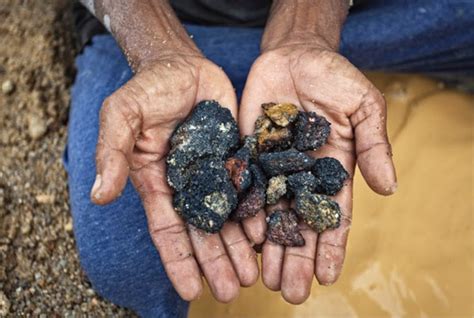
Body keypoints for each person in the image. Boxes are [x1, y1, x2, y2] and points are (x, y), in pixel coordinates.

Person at [65, 0, 473, 316]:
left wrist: (307, 29)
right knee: (123, 264)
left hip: (365, 17)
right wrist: (157, 51)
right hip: (156, 35)